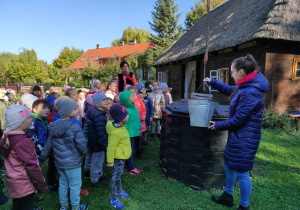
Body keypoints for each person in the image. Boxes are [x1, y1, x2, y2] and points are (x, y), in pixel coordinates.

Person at [204, 54, 269, 210]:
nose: (231, 75)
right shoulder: (245, 85)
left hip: (246, 138)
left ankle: (244, 206)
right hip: (238, 135)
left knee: (242, 172)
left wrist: (218, 125)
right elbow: (230, 90)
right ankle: (227, 196)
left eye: (232, 72)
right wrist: (212, 82)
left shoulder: (251, 91)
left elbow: (239, 119)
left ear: (241, 71)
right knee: (229, 164)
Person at [40, 98, 88, 210]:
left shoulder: (54, 126)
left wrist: (43, 157)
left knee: (63, 184)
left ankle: (64, 205)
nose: (77, 110)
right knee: (75, 185)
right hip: (73, 163)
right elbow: (81, 144)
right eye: (75, 108)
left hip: (60, 163)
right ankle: (76, 207)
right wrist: (84, 153)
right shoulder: (74, 126)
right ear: (67, 111)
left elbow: (48, 145)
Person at [0, 105, 47, 210]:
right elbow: (31, 165)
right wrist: (40, 184)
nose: (31, 120)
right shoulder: (23, 142)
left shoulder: (8, 138)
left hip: (13, 183)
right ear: (21, 122)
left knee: (17, 206)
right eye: (29, 118)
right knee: (27, 206)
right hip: (25, 183)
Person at [106, 105, 131, 209]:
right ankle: (113, 199)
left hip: (122, 156)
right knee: (115, 178)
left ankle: (119, 191)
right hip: (118, 158)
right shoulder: (116, 133)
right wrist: (110, 161)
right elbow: (110, 148)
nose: (128, 116)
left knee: (119, 175)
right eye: (125, 115)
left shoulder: (120, 125)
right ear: (120, 119)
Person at [84, 93, 109, 187]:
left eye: (106, 99)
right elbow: (101, 133)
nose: (106, 101)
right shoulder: (100, 117)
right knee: (97, 161)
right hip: (98, 143)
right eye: (103, 100)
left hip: (92, 141)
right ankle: (95, 179)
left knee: (89, 157)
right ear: (98, 104)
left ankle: (87, 172)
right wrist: (104, 145)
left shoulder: (93, 112)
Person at [119, 91, 142, 175]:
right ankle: (131, 168)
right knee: (129, 151)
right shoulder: (125, 110)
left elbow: (137, 120)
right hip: (128, 134)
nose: (134, 97)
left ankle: (126, 164)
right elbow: (124, 123)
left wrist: (139, 130)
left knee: (131, 149)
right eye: (132, 96)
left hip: (135, 133)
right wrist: (126, 133)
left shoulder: (135, 109)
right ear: (126, 100)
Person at [127, 86, 146, 159]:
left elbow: (144, 108)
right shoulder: (128, 102)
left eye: (134, 92)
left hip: (139, 123)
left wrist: (143, 115)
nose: (133, 94)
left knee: (139, 139)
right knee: (131, 140)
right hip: (131, 124)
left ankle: (138, 152)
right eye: (131, 92)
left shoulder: (139, 100)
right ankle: (130, 153)